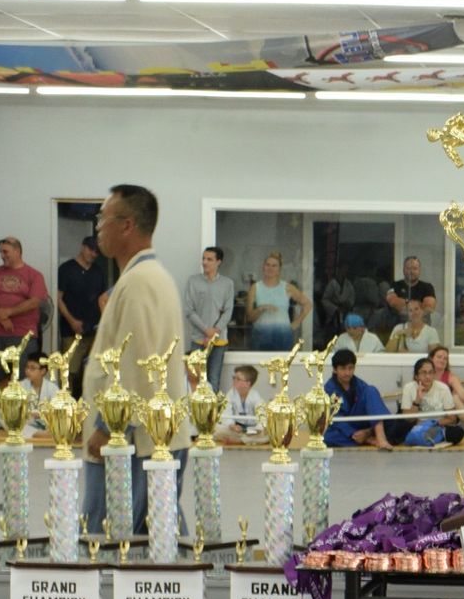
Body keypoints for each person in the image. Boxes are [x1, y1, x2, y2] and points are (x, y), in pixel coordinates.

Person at [81, 185, 188, 535]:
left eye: (103, 218)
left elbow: (136, 364)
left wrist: (107, 426)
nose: (97, 227)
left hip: (132, 443)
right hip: (146, 439)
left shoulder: (139, 282)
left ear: (126, 225)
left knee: (112, 542)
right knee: (157, 537)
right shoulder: (144, 277)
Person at [0, 236, 48, 385]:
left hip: (23, 335)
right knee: (2, 378)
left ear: (17, 251)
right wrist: (1, 316)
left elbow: (35, 301)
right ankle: (4, 408)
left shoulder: (34, 275)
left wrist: (9, 312)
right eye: (0, 252)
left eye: (6, 252)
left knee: (25, 378)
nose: (2, 255)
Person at [54, 234, 107, 396]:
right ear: (83, 247)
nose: (93, 254)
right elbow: (57, 298)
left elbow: (103, 299)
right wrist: (72, 321)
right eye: (91, 249)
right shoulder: (66, 269)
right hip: (71, 331)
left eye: (97, 252)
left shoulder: (98, 272)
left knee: (93, 370)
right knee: (69, 371)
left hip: (94, 331)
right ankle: (67, 406)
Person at [184, 245, 235, 392]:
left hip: (219, 340)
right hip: (198, 339)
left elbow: (228, 310)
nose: (205, 262)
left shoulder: (227, 284)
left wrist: (215, 330)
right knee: (195, 377)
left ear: (218, 262)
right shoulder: (193, 282)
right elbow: (189, 310)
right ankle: (195, 412)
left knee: (213, 378)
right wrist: (206, 330)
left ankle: (211, 414)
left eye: (209, 259)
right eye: (203, 259)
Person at [323, 349, 391, 448]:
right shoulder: (329, 388)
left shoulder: (359, 384)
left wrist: (367, 431)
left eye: (350, 368)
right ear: (334, 369)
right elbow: (335, 417)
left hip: (361, 423)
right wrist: (353, 433)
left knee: (371, 390)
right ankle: (366, 439)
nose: (347, 373)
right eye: (343, 368)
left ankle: (381, 438)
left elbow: (372, 406)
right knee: (327, 437)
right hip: (344, 427)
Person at [247, 252, 309, 351]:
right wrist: (261, 308)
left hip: (283, 336)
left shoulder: (288, 287)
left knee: (282, 366)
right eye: (268, 265)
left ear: (279, 270)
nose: (270, 268)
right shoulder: (255, 287)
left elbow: (307, 304)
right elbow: (249, 317)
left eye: (274, 266)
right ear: (263, 267)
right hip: (260, 336)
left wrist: (296, 323)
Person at [397, 355, 464, 446]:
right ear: (416, 376)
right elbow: (407, 418)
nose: (428, 376)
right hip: (415, 426)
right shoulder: (409, 388)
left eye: (431, 372)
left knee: (457, 432)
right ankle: (429, 438)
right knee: (398, 426)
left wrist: (432, 423)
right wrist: (417, 400)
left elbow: (452, 418)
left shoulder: (443, 388)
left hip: (437, 426)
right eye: (423, 373)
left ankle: (426, 437)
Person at [428, 344, 464, 428]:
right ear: (431, 358)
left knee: (455, 397)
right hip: (428, 407)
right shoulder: (425, 374)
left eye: (445, 358)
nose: (442, 360)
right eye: (439, 357)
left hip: (445, 409)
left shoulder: (450, 376)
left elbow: (462, 392)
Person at [385, 255, 436, 332]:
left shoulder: (427, 287)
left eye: (414, 268)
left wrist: (405, 305)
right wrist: (418, 307)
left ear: (419, 270)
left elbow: (429, 307)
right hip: (400, 329)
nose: (411, 271)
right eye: (408, 268)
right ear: (403, 269)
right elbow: (392, 301)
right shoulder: (394, 285)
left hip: (421, 330)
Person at [217, 365, 266, 444]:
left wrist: (255, 430)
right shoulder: (230, 394)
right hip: (235, 429)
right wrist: (232, 425)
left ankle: (239, 440)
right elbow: (225, 413)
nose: (234, 380)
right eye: (234, 378)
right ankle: (243, 440)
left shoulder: (256, 397)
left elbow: (262, 420)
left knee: (265, 434)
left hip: (251, 430)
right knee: (217, 428)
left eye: (238, 379)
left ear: (248, 383)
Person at [21, 355, 60, 431]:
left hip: (47, 427)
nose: (28, 371)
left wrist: (43, 414)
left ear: (43, 371)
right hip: (26, 425)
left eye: (32, 368)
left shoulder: (52, 388)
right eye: (27, 367)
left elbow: (57, 412)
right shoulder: (21, 386)